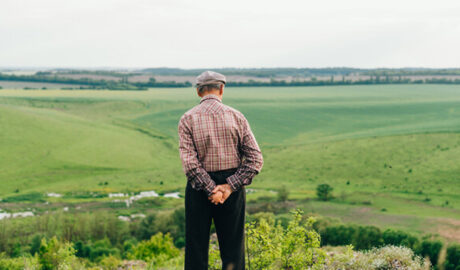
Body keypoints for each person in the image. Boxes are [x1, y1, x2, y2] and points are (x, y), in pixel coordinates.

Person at [178, 71, 264, 270]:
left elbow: (190, 164)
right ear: (222, 89)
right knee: (233, 248)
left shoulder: (187, 118)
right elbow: (255, 160)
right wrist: (227, 188)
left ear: (199, 92)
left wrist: (211, 189)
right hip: (232, 188)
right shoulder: (237, 116)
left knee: (196, 248)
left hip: (199, 188)